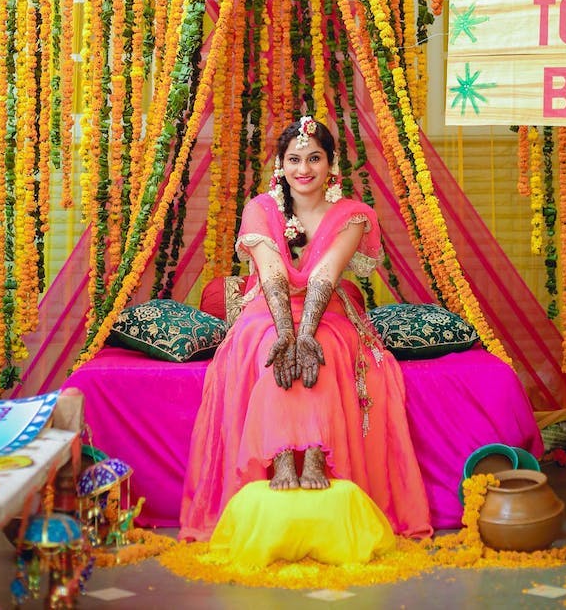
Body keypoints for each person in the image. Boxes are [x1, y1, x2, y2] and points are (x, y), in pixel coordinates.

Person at [179, 116, 432, 540]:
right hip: (268, 307)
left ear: (331, 165)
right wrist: (286, 335)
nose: (304, 168)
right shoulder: (260, 209)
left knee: (328, 347)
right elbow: (273, 274)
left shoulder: (353, 216)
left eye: (314, 158)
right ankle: (281, 456)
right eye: (294, 159)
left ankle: (315, 454)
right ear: (280, 165)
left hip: (326, 307)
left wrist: (307, 335)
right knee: (263, 344)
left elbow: (324, 277)